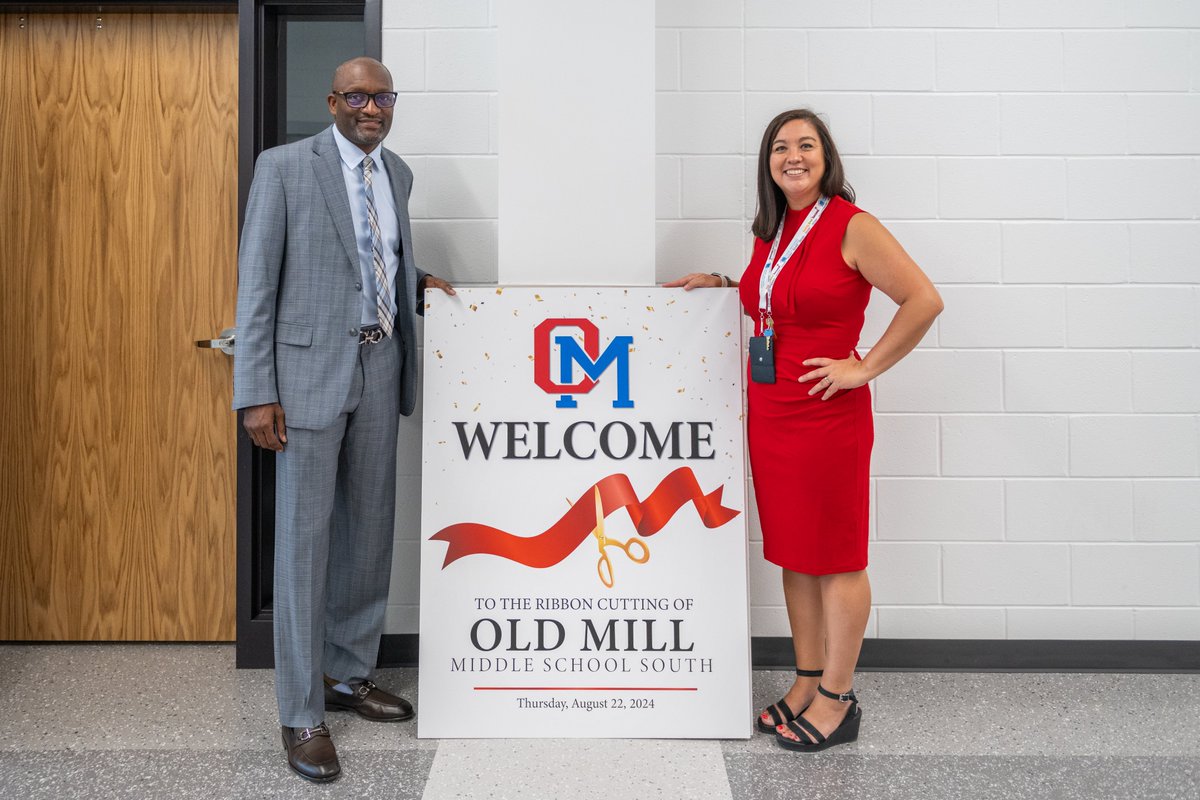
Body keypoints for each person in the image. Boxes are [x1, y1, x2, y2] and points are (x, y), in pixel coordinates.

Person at [666, 108, 942, 751]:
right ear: (768, 163)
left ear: (826, 157)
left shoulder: (852, 225)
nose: (793, 156)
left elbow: (924, 299)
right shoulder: (773, 228)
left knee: (837, 556)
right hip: (774, 412)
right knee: (794, 552)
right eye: (780, 147)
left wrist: (864, 367)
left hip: (826, 413)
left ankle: (839, 700)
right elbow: (777, 300)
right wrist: (724, 284)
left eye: (806, 145)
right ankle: (807, 681)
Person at [233, 56, 455, 782]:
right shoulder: (283, 168)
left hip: (381, 365)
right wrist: (255, 390)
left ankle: (347, 674)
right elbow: (258, 282)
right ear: (332, 102)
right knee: (305, 544)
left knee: (369, 532)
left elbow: (369, 257)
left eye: (382, 97)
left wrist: (418, 281)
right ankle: (301, 711)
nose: (371, 108)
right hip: (305, 377)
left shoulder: (398, 174)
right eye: (357, 97)